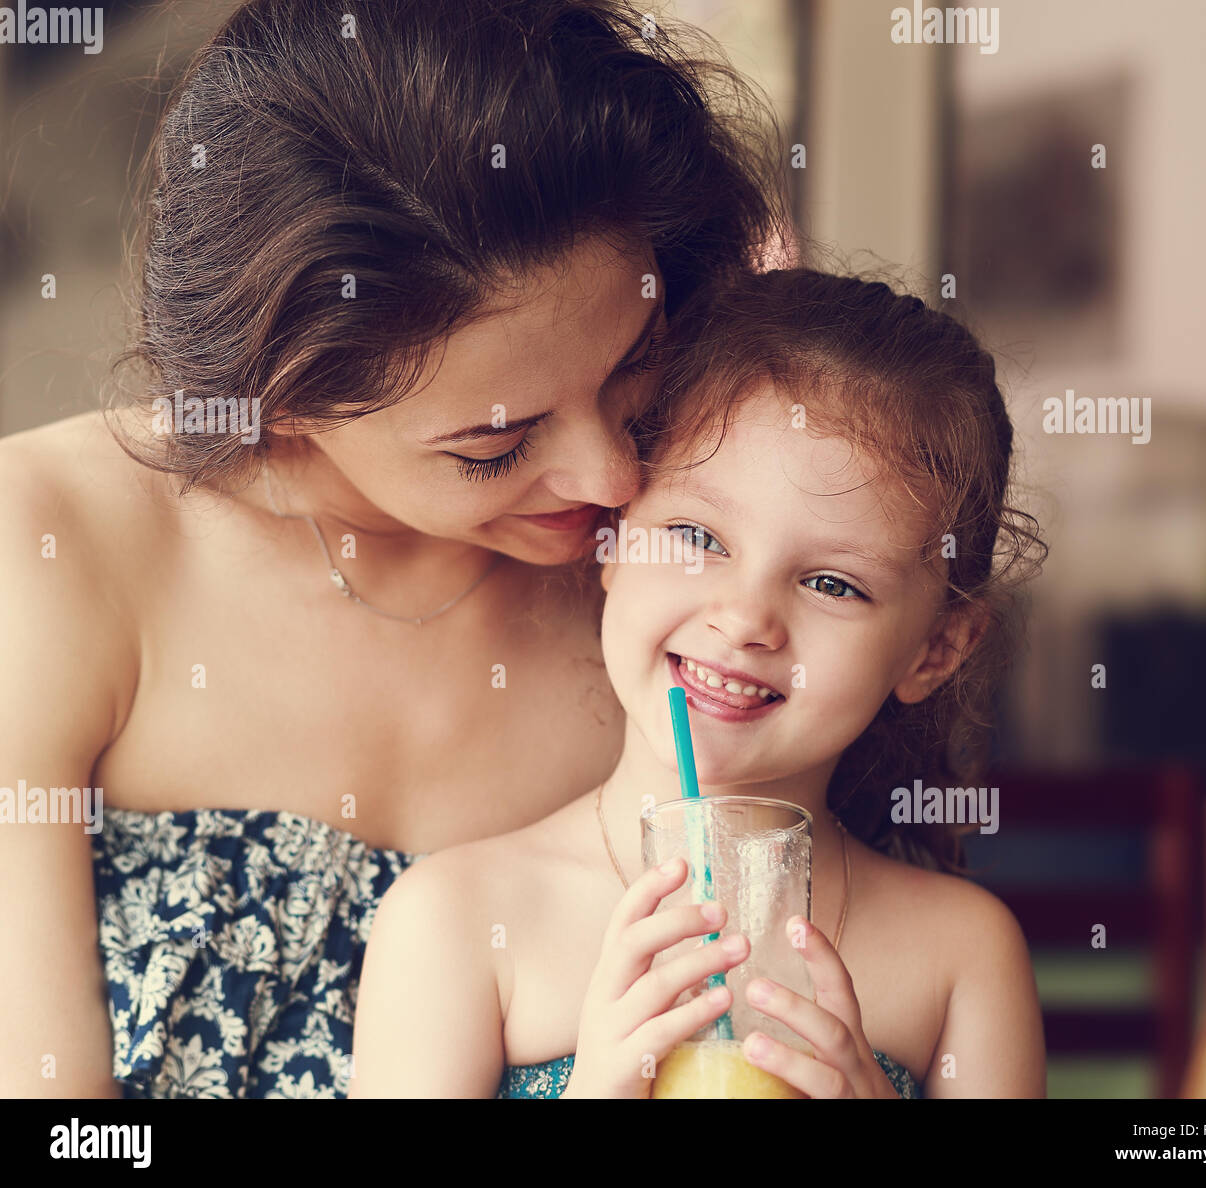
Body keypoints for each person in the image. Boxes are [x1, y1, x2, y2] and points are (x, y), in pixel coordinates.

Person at [0, 0, 782, 1098]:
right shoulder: (47, 543)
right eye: (496, 443)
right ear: (284, 403)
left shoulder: (687, 594)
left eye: (631, 367)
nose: (612, 481)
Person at [350, 269, 1049, 1098]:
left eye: (833, 584)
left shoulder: (963, 955)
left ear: (934, 651)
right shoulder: (454, 921)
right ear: (612, 539)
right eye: (696, 535)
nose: (747, 617)